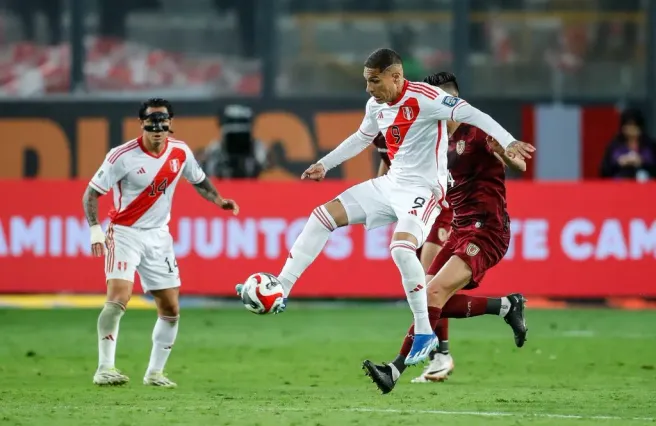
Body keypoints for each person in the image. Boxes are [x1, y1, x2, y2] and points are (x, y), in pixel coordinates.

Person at [237, 49, 533, 365]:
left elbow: (474, 114)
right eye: (367, 82)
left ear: (395, 77)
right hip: (391, 185)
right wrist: (324, 164)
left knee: (401, 250)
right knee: (322, 216)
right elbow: (360, 138)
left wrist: (509, 140)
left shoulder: (426, 97)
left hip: (424, 190)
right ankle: (282, 286)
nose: (369, 89)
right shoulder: (376, 105)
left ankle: (423, 333)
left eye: (374, 81)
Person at [362, 72, 529, 393]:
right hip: (459, 228)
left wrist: (504, 149)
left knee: (432, 295)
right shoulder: (432, 137)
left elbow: (519, 165)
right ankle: (507, 307)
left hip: (487, 230)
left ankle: (395, 369)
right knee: (426, 295)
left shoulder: (478, 133)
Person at [83, 98, 240, 387]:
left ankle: (155, 373)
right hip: (125, 232)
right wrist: (95, 230)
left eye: (163, 122)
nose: (157, 128)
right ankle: (105, 368)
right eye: (151, 122)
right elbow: (91, 193)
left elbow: (200, 180)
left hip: (159, 237)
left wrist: (219, 200)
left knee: (170, 309)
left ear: (170, 124)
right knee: (118, 298)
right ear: (141, 124)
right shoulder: (122, 156)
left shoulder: (180, 152)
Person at [373, 131, 455, 381]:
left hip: (439, 209)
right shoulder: (380, 137)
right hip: (414, 215)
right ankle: (438, 355)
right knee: (426, 287)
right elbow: (384, 175)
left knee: (429, 285)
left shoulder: (421, 127)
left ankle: (442, 355)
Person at [199, 104, 270, 179]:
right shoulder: (216, 148)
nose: (237, 128)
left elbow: (265, 165)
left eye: (242, 122)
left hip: (249, 186)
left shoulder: (256, 147)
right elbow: (208, 171)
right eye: (231, 122)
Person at [600, 108, 656, 181]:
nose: (631, 130)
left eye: (634, 126)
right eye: (628, 126)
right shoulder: (614, 146)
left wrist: (642, 162)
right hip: (619, 185)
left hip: (645, 185)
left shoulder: (650, 145)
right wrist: (619, 163)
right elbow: (604, 171)